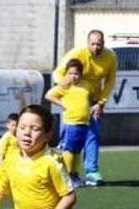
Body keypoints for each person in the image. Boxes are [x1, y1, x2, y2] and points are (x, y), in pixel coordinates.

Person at [53, 30, 117, 187]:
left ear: (104, 44)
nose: (96, 47)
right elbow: (57, 73)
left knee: (92, 135)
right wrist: (69, 90)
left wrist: (100, 103)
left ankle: (91, 172)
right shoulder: (77, 54)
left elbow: (110, 81)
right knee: (69, 141)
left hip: (93, 101)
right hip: (74, 100)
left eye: (99, 44)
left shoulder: (110, 57)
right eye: (93, 44)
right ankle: (63, 174)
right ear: (88, 43)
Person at [46, 59, 95, 186]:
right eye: (71, 73)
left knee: (77, 150)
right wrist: (63, 105)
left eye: (76, 74)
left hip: (84, 123)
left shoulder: (86, 85)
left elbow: (91, 97)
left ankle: (74, 174)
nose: (73, 76)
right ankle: (65, 176)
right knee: (69, 150)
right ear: (66, 74)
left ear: (81, 74)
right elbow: (49, 95)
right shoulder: (65, 86)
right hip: (71, 123)